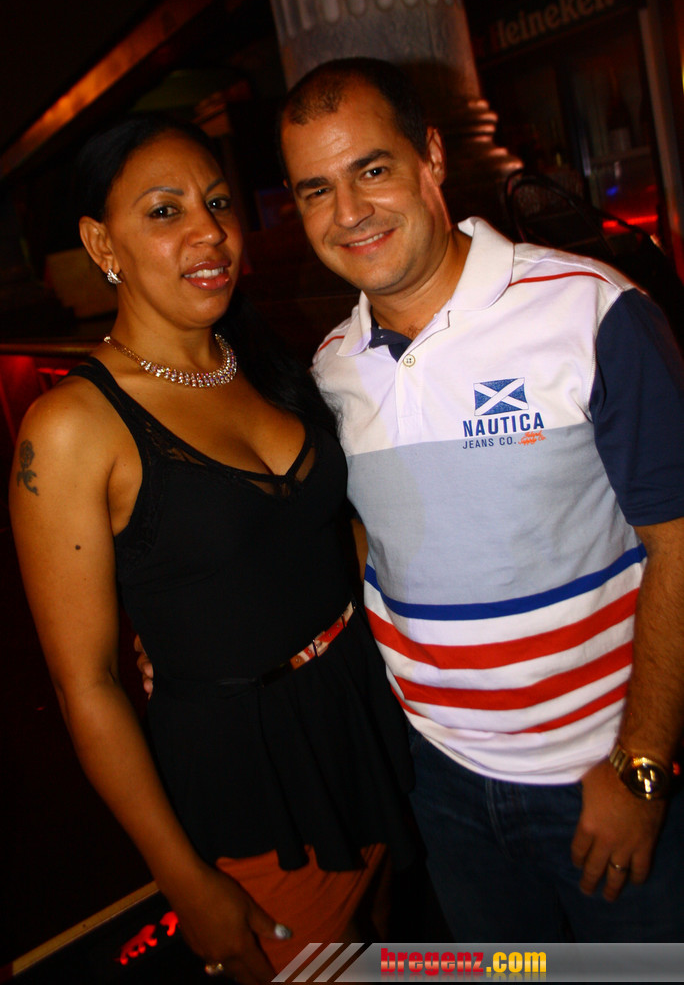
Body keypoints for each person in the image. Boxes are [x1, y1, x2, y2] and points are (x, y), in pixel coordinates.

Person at [273, 57, 684, 942]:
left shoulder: (590, 310)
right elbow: (364, 543)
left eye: (371, 169)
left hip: (602, 772)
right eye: (316, 190)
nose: (349, 212)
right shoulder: (332, 369)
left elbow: (680, 542)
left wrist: (643, 766)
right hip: (439, 783)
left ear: (430, 156)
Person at [9, 115, 415, 984]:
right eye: (165, 212)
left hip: (367, 718)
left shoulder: (263, 360)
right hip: (251, 776)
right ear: (102, 244)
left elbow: (333, 536)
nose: (210, 232)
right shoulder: (73, 425)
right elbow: (87, 684)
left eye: (219, 204)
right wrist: (182, 878)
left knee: (392, 949)